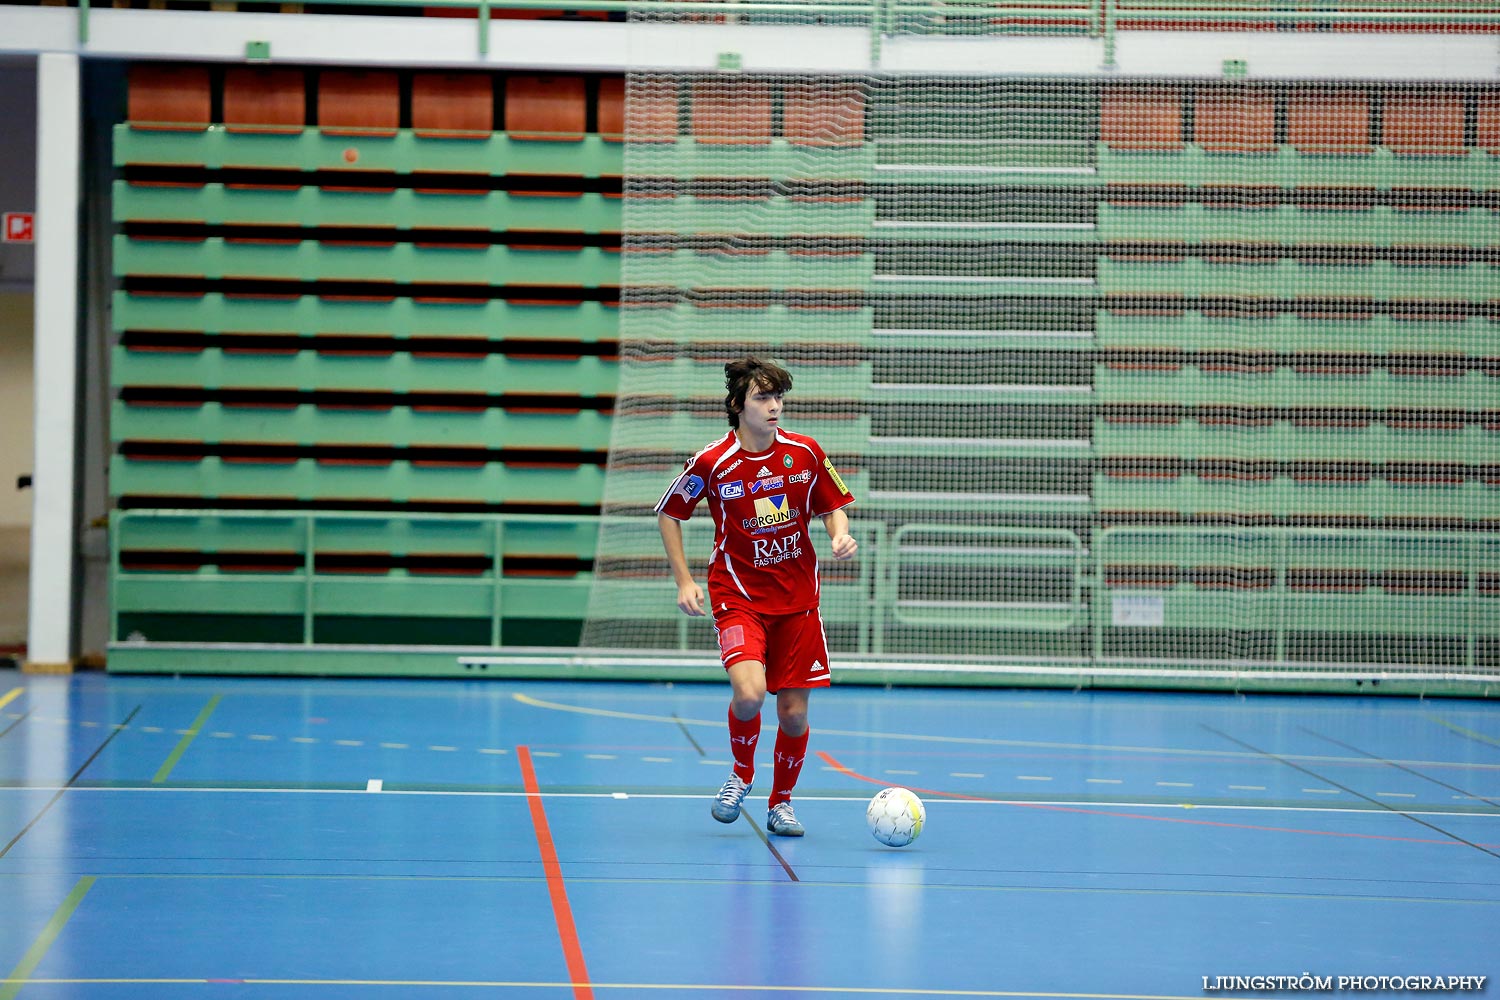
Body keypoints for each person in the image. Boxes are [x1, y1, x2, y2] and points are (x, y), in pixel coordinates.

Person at [656, 357, 858, 837]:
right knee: (748, 695)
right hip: (738, 596)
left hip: (798, 603)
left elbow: (832, 505)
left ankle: (781, 803)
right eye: (763, 398)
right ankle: (742, 773)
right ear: (737, 405)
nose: (774, 406)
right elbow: (670, 514)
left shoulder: (805, 452)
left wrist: (840, 535)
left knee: (793, 713)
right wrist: (684, 580)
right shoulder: (712, 461)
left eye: (778, 397)